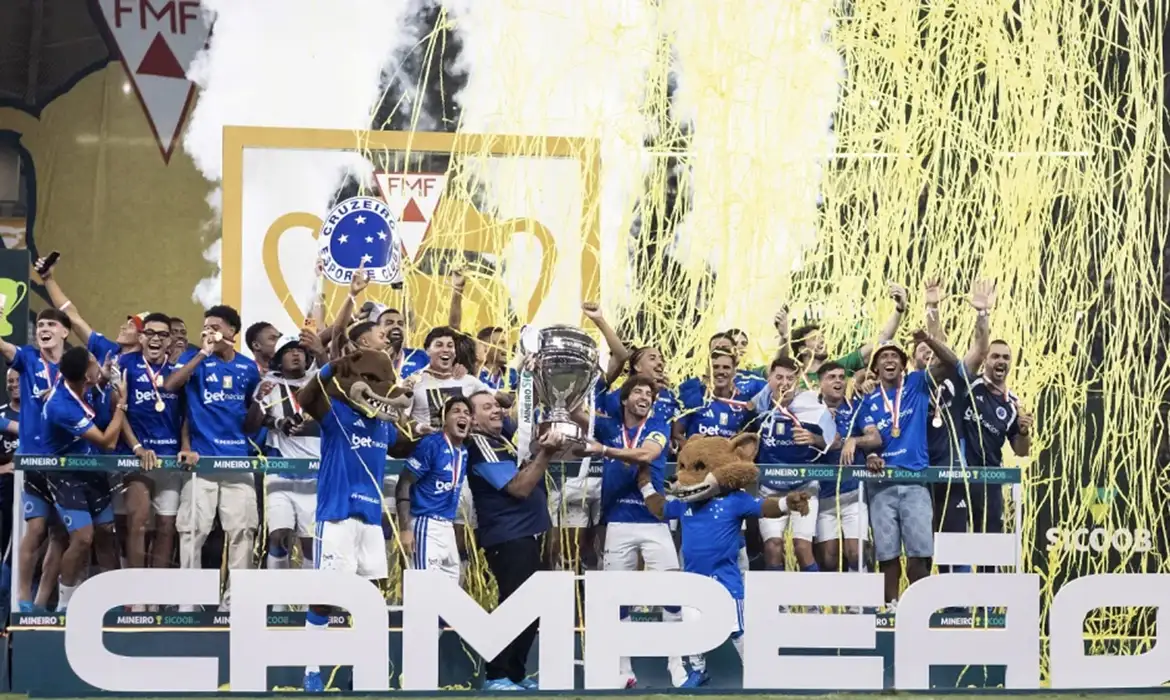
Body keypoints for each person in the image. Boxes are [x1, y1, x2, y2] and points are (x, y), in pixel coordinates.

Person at [636, 434, 810, 687]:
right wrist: (645, 486)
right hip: (694, 579)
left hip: (725, 579)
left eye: (697, 468)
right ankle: (698, 671)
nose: (686, 476)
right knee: (692, 626)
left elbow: (764, 508)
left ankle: (755, 672)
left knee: (736, 629)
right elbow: (661, 508)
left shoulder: (734, 500)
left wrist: (786, 503)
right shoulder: (684, 504)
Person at [293, 350, 400, 693]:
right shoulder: (336, 413)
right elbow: (305, 398)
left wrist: (428, 429)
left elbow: (406, 445)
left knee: (371, 599)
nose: (373, 386)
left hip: (371, 520)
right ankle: (311, 671)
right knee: (326, 595)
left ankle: (363, 670)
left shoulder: (384, 424)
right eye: (368, 379)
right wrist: (328, 369)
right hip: (337, 515)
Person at [581, 375, 686, 689]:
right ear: (624, 400)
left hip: (654, 522)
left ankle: (677, 667)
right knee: (617, 598)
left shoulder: (657, 425)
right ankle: (623, 670)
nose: (645, 397)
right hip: (617, 522)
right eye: (638, 391)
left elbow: (646, 455)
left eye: (649, 393)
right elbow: (573, 413)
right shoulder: (609, 426)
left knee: (672, 593)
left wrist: (604, 450)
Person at [854, 331, 962, 607]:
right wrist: (870, 454)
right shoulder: (867, 400)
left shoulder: (917, 383)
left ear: (903, 365)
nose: (889, 360)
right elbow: (868, 435)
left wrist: (930, 339)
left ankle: (919, 610)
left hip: (915, 483)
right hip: (881, 486)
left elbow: (952, 364)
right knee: (887, 557)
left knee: (919, 555)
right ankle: (891, 611)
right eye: (883, 357)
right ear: (875, 367)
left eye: (895, 356)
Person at [163, 305, 261, 609]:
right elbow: (171, 386)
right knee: (192, 531)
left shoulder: (248, 368)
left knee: (242, 532)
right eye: (205, 327)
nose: (208, 331)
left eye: (215, 327)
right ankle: (189, 601)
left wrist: (261, 401)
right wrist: (203, 353)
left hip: (237, 461)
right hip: (201, 462)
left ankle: (235, 602)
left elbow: (250, 419)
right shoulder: (194, 360)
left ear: (232, 332)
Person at [466, 390, 563, 691]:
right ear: (472, 420)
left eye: (496, 405)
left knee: (532, 607)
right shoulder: (481, 443)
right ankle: (496, 675)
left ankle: (515, 673)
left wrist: (528, 384)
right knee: (514, 606)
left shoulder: (502, 439)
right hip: (508, 536)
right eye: (486, 408)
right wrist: (545, 454)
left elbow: (520, 417)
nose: (496, 410)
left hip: (528, 534)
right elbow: (519, 488)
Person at [42, 346, 126, 612]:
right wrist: (122, 404)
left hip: (92, 470)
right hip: (65, 474)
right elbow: (107, 441)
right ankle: (65, 603)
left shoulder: (81, 386)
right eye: (93, 362)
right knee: (82, 538)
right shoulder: (60, 406)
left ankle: (111, 603)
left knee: (106, 533)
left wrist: (104, 377)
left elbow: (92, 387)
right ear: (85, 376)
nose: (97, 363)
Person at [0, 307, 72, 612]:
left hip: (66, 461)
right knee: (36, 528)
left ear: (64, 332)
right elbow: (5, 347)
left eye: (51, 324)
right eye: (40, 324)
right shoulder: (29, 358)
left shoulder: (74, 364)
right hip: (34, 462)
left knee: (61, 534)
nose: (44, 329)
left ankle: (43, 601)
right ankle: (23, 599)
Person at [919, 279, 995, 550]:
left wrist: (982, 314)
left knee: (954, 548)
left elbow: (980, 350)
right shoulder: (910, 385)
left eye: (933, 350)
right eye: (922, 350)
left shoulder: (958, 377)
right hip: (917, 473)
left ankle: (958, 579)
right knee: (922, 550)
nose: (929, 353)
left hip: (951, 470)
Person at [244, 335, 319, 585]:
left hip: (315, 474)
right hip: (280, 472)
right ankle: (278, 597)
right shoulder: (269, 384)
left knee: (311, 543)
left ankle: (308, 599)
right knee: (278, 536)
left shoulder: (318, 383)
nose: (296, 354)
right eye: (289, 351)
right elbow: (250, 426)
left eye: (300, 350)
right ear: (278, 358)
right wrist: (261, 404)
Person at [749, 357, 834, 574]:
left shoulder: (811, 405)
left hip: (804, 488)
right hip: (770, 490)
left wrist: (815, 439)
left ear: (797, 381)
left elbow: (836, 441)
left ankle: (812, 596)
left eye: (790, 378)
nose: (784, 383)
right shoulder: (759, 405)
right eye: (779, 377)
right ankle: (776, 596)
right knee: (772, 547)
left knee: (802, 548)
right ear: (769, 379)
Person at [117, 312, 184, 573]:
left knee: (167, 527)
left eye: (163, 335)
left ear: (170, 341)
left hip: (170, 458)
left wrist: (184, 447)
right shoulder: (125, 364)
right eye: (150, 333)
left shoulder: (179, 370)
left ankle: (157, 590)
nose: (156, 339)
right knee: (139, 521)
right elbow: (118, 411)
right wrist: (137, 447)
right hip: (137, 456)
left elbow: (188, 414)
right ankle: (135, 588)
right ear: (141, 337)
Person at [960, 340, 1033, 535]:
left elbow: (1021, 451)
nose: (1001, 361)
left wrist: (1023, 432)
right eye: (995, 356)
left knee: (991, 543)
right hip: (961, 477)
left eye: (1006, 357)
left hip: (990, 480)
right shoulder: (968, 386)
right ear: (985, 360)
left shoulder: (1013, 404)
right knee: (956, 541)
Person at [396, 396, 472, 582]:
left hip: (448, 526)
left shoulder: (463, 452)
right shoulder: (431, 444)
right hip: (425, 523)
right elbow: (404, 483)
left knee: (451, 589)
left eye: (467, 413)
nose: (463, 415)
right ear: (444, 419)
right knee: (425, 587)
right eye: (456, 411)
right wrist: (405, 529)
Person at [781, 284, 909, 387]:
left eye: (822, 337)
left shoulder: (841, 366)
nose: (822, 341)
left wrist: (899, 309)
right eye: (815, 338)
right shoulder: (793, 377)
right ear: (802, 349)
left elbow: (883, 337)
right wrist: (783, 336)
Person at [817, 362, 867, 571]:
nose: (838, 381)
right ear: (820, 383)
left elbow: (874, 437)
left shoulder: (858, 408)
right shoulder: (810, 410)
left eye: (841, 377)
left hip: (853, 493)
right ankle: (833, 594)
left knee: (856, 554)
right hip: (822, 496)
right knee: (829, 559)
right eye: (832, 377)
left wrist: (854, 440)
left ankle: (862, 593)